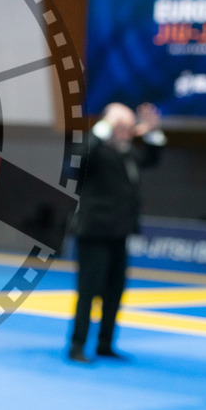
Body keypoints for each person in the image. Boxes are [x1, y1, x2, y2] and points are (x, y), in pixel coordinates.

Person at [67, 102, 165, 363]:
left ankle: (105, 343)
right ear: (109, 126)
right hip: (94, 233)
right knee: (88, 292)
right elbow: (80, 156)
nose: (127, 133)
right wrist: (107, 123)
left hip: (119, 234)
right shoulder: (96, 153)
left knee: (114, 291)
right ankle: (77, 345)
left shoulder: (126, 153)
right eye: (121, 127)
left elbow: (152, 158)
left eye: (129, 128)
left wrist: (152, 132)